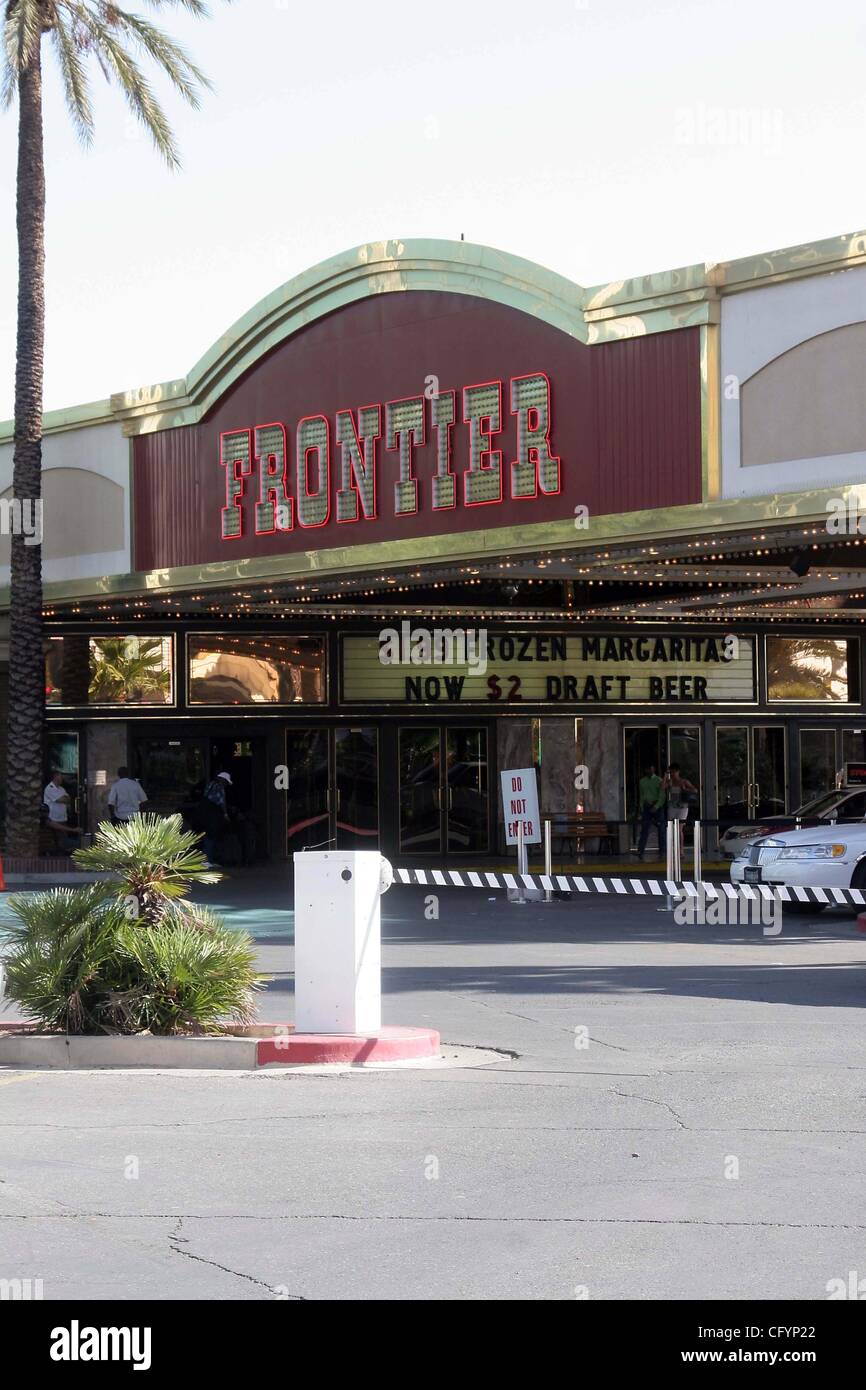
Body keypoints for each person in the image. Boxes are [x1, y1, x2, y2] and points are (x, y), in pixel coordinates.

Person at [663, 762, 698, 856]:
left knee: (679, 828)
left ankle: (681, 849)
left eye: (674, 772)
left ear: (678, 772)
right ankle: (671, 848)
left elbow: (695, 790)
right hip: (672, 807)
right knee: (671, 828)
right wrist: (665, 777)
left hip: (682, 807)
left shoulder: (684, 781)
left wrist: (685, 790)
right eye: (671, 772)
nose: (673, 774)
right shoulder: (670, 782)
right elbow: (662, 787)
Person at [198, 770, 232, 866]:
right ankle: (206, 859)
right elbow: (221, 802)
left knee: (208, 835)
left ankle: (209, 859)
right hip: (213, 815)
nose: (226, 784)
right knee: (211, 836)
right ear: (223, 780)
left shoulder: (211, 785)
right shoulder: (220, 787)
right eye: (226, 782)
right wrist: (225, 814)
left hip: (205, 814)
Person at [635, 763, 665, 860]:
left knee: (661, 829)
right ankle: (640, 850)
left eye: (651, 769)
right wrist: (642, 808)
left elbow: (662, 795)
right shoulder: (642, 781)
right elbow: (642, 795)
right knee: (644, 829)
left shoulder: (659, 780)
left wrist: (656, 806)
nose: (650, 771)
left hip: (657, 806)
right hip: (646, 807)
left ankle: (662, 850)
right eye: (648, 769)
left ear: (654, 769)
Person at [43, 770, 72, 853]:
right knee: (57, 840)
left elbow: (68, 799)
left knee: (63, 839)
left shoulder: (62, 789)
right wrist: (64, 799)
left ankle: (61, 852)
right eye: (60, 776)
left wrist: (64, 799)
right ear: (55, 777)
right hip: (53, 819)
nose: (62, 778)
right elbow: (60, 800)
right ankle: (55, 855)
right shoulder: (50, 788)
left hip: (62, 818)